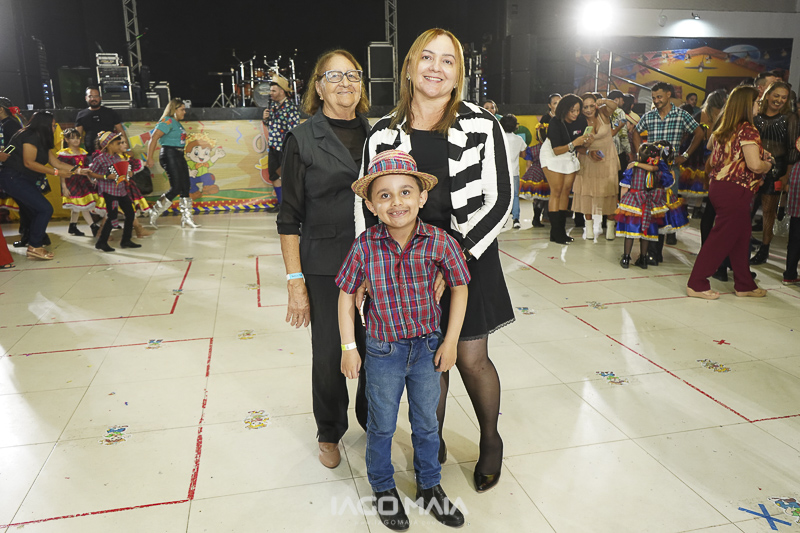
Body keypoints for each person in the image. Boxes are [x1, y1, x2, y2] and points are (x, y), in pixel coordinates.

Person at [358, 28, 514, 493]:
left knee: (469, 357)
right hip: (405, 265)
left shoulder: (482, 124)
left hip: (469, 255)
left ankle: (491, 440)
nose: (436, 68)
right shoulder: (383, 132)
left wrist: (454, 260)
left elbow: (501, 200)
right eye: (427, 58)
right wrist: (369, 269)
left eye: (448, 61)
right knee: (427, 360)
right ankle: (433, 440)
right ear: (409, 66)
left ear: (458, 73)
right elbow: (368, 204)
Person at [338, 150, 468, 531]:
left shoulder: (440, 242)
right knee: (381, 424)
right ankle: (383, 487)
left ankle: (430, 486)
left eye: (405, 192)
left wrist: (451, 341)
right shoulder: (364, 246)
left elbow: (460, 287)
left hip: (428, 349)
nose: (396, 202)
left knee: (426, 422)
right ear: (371, 205)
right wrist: (349, 347)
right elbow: (345, 296)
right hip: (383, 352)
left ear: (422, 197)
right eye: (385, 195)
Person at [277, 49, 371, 469]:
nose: (345, 83)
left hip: (379, 262)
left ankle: (373, 418)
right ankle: (329, 430)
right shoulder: (302, 139)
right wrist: (295, 282)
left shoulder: (379, 133)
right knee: (330, 352)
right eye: (334, 76)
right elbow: (289, 218)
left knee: (378, 348)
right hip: (325, 265)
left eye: (353, 75)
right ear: (318, 87)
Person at [686, 86, 772, 299]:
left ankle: (744, 284)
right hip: (736, 189)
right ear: (747, 105)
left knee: (741, 237)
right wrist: (768, 163)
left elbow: (711, 145)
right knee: (721, 238)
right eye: (757, 102)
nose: (759, 105)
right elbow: (754, 165)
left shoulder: (724, 126)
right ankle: (696, 283)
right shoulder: (747, 129)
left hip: (720, 186)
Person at [0, 112, 91, 260]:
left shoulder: (41, 139)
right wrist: (56, 173)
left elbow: (57, 163)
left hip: (25, 179)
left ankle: (34, 243)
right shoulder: (29, 136)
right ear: (43, 124)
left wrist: (79, 170)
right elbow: (29, 163)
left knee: (34, 210)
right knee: (45, 209)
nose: (54, 128)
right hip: (14, 178)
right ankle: (35, 246)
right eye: (53, 125)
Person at [632, 82, 703, 254]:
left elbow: (699, 133)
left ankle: (660, 246)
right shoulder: (649, 116)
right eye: (654, 98)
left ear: (668, 95)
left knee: (668, 205)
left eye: (659, 97)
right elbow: (635, 131)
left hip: (671, 169)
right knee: (651, 205)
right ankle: (652, 249)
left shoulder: (681, 115)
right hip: (651, 168)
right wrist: (640, 153)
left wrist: (685, 155)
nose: (656, 100)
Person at [750, 81, 799, 265]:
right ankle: (743, 244)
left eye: (783, 97)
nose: (779, 100)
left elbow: (793, 148)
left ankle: (764, 249)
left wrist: (787, 175)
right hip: (753, 166)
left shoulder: (789, 118)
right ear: (768, 95)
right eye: (776, 95)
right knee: (747, 208)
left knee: (768, 211)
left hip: (777, 169)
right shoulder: (755, 115)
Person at [539, 93, 594, 244]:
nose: (576, 114)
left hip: (569, 155)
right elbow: (556, 150)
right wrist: (575, 143)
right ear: (564, 110)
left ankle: (561, 232)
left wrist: (587, 143)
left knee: (565, 191)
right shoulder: (555, 122)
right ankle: (555, 232)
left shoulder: (581, 121)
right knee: (556, 191)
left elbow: (580, 147)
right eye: (572, 111)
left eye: (578, 110)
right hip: (552, 154)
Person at [572, 93, 620, 242]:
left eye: (591, 106)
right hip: (588, 159)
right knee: (587, 193)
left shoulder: (603, 113)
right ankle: (589, 228)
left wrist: (603, 100)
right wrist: (588, 151)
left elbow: (614, 105)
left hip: (608, 158)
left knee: (610, 193)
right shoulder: (579, 122)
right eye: (585, 107)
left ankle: (610, 227)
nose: (588, 110)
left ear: (596, 105)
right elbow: (576, 146)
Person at [146, 98, 200, 229]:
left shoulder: (177, 123)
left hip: (179, 155)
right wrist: (149, 158)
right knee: (176, 187)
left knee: (185, 186)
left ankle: (186, 217)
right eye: (182, 109)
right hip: (169, 154)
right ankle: (154, 212)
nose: (184, 112)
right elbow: (153, 138)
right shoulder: (167, 121)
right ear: (174, 110)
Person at [617, 143, 673, 268]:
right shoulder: (659, 169)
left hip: (634, 203)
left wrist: (621, 203)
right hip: (651, 203)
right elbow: (668, 183)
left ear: (640, 156)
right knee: (646, 232)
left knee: (630, 231)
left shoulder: (632, 168)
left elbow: (625, 187)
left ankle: (626, 258)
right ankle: (643, 259)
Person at [87, 131, 141, 252]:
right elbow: (90, 173)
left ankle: (126, 240)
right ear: (109, 145)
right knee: (112, 216)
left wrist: (128, 174)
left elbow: (121, 172)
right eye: (118, 143)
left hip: (121, 190)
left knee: (130, 213)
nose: (120, 145)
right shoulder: (100, 159)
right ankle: (101, 242)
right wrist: (105, 177)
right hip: (109, 191)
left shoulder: (118, 157)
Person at [262, 75, 300, 213]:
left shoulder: (290, 108)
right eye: (270, 90)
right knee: (274, 176)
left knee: (288, 177)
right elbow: (271, 125)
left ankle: (292, 206)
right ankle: (281, 204)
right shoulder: (273, 106)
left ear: (282, 91)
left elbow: (294, 130)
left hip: (285, 149)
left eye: (274, 91)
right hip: (273, 147)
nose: (270, 93)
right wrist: (265, 119)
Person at [57, 128, 99, 236]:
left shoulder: (82, 152)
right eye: (72, 138)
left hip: (83, 182)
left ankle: (73, 226)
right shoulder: (64, 154)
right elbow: (62, 171)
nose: (76, 140)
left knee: (77, 205)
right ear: (66, 140)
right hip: (71, 182)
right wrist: (64, 187)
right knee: (83, 205)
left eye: (77, 138)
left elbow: (85, 168)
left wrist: (90, 179)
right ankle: (93, 227)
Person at [75, 86, 128, 155]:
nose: (93, 99)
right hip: (90, 153)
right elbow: (77, 135)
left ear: (100, 98)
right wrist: (75, 153)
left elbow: (121, 132)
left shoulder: (110, 112)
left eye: (96, 96)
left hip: (111, 153)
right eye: (90, 96)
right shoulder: (81, 114)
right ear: (86, 98)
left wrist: (127, 149)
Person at [500, 114, 528, 229]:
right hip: (514, 172)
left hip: (501, 172)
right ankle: (516, 219)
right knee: (515, 196)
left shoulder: (499, 138)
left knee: (502, 196)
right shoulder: (519, 139)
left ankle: (502, 220)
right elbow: (524, 154)